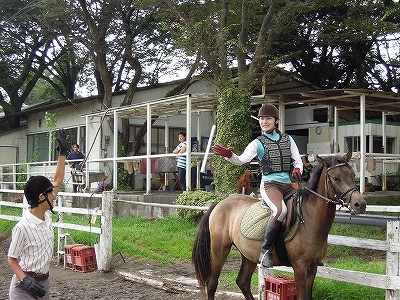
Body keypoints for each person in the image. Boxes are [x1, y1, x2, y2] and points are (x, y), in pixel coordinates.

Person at [212, 104, 303, 268]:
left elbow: (297, 160)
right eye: (261, 119)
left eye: (268, 118)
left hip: (288, 185)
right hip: (270, 185)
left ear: (275, 120)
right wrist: (229, 155)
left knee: (304, 207)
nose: (264, 121)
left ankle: (305, 250)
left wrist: (297, 169)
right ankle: (266, 250)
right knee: (280, 210)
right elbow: (241, 160)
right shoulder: (257, 143)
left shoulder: (288, 139)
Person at [7, 129, 69, 300]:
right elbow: (11, 259)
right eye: (51, 193)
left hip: (44, 283)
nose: (54, 195)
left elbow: (57, 181)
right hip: (24, 286)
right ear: (42, 197)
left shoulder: (46, 215)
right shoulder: (23, 227)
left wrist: (62, 154)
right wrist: (25, 280)